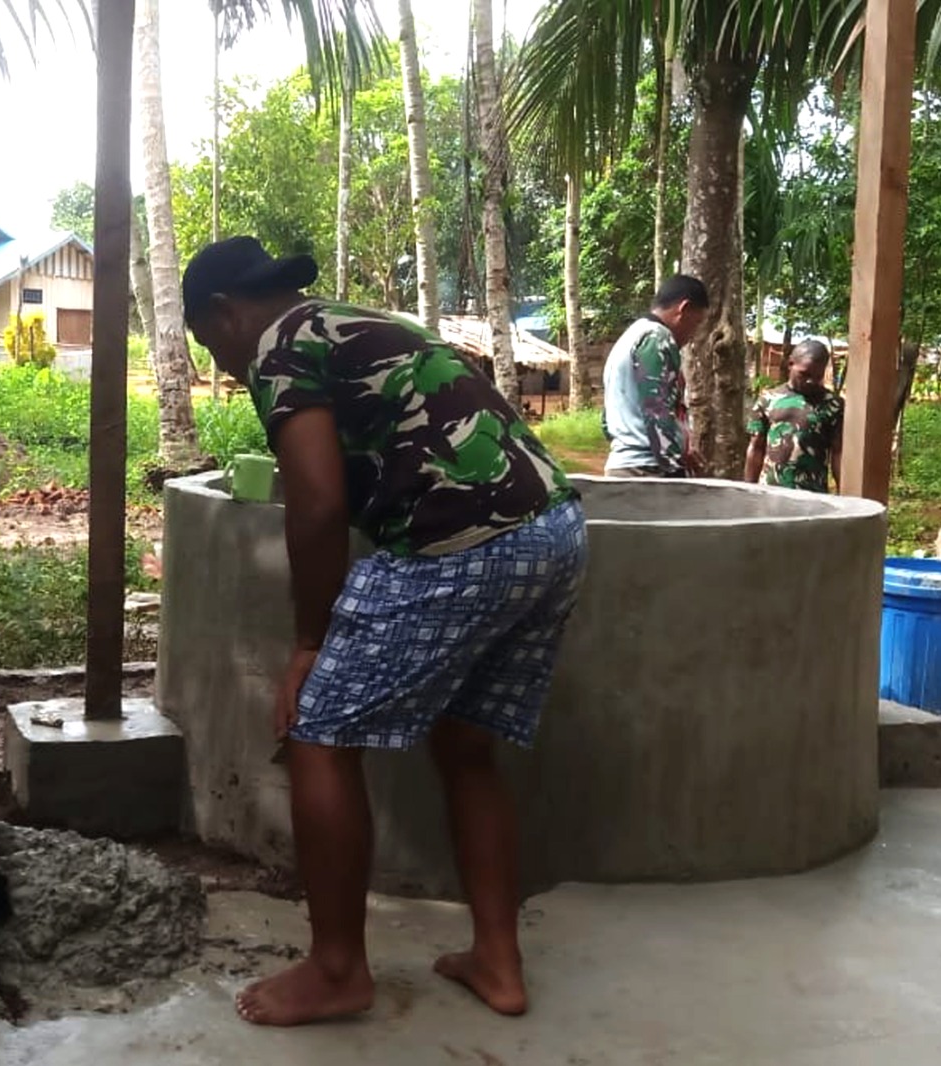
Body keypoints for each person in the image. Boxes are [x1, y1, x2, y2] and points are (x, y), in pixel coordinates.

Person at [182, 236, 588, 1027]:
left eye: (207, 341)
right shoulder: (359, 321)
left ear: (225, 313)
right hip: (555, 533)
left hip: (460, 545)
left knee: (319, 736)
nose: (219, 363)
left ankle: (337, 971)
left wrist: (310, 642)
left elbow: (317, 502)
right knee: (466, 746)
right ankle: (497, 961)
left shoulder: (279, 348)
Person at [601, 276, 710, 477]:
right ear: (684, 309)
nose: (693, 334)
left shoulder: (629, 338)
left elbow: (606, 423)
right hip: (647, 470)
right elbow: (656, 408)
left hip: (621, 465)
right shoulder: (658, 337)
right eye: (696, 323)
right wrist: (675, 463)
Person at [745, 339, 844, 492]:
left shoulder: (833, 405)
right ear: (790, 364)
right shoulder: (767, 400)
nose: (811, 381)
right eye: (804, 374)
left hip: (813, 496)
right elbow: (756, 448)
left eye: (818, 376)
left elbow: (838, 453)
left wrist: (843, 492)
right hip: (770, 493)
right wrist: (748, 490)